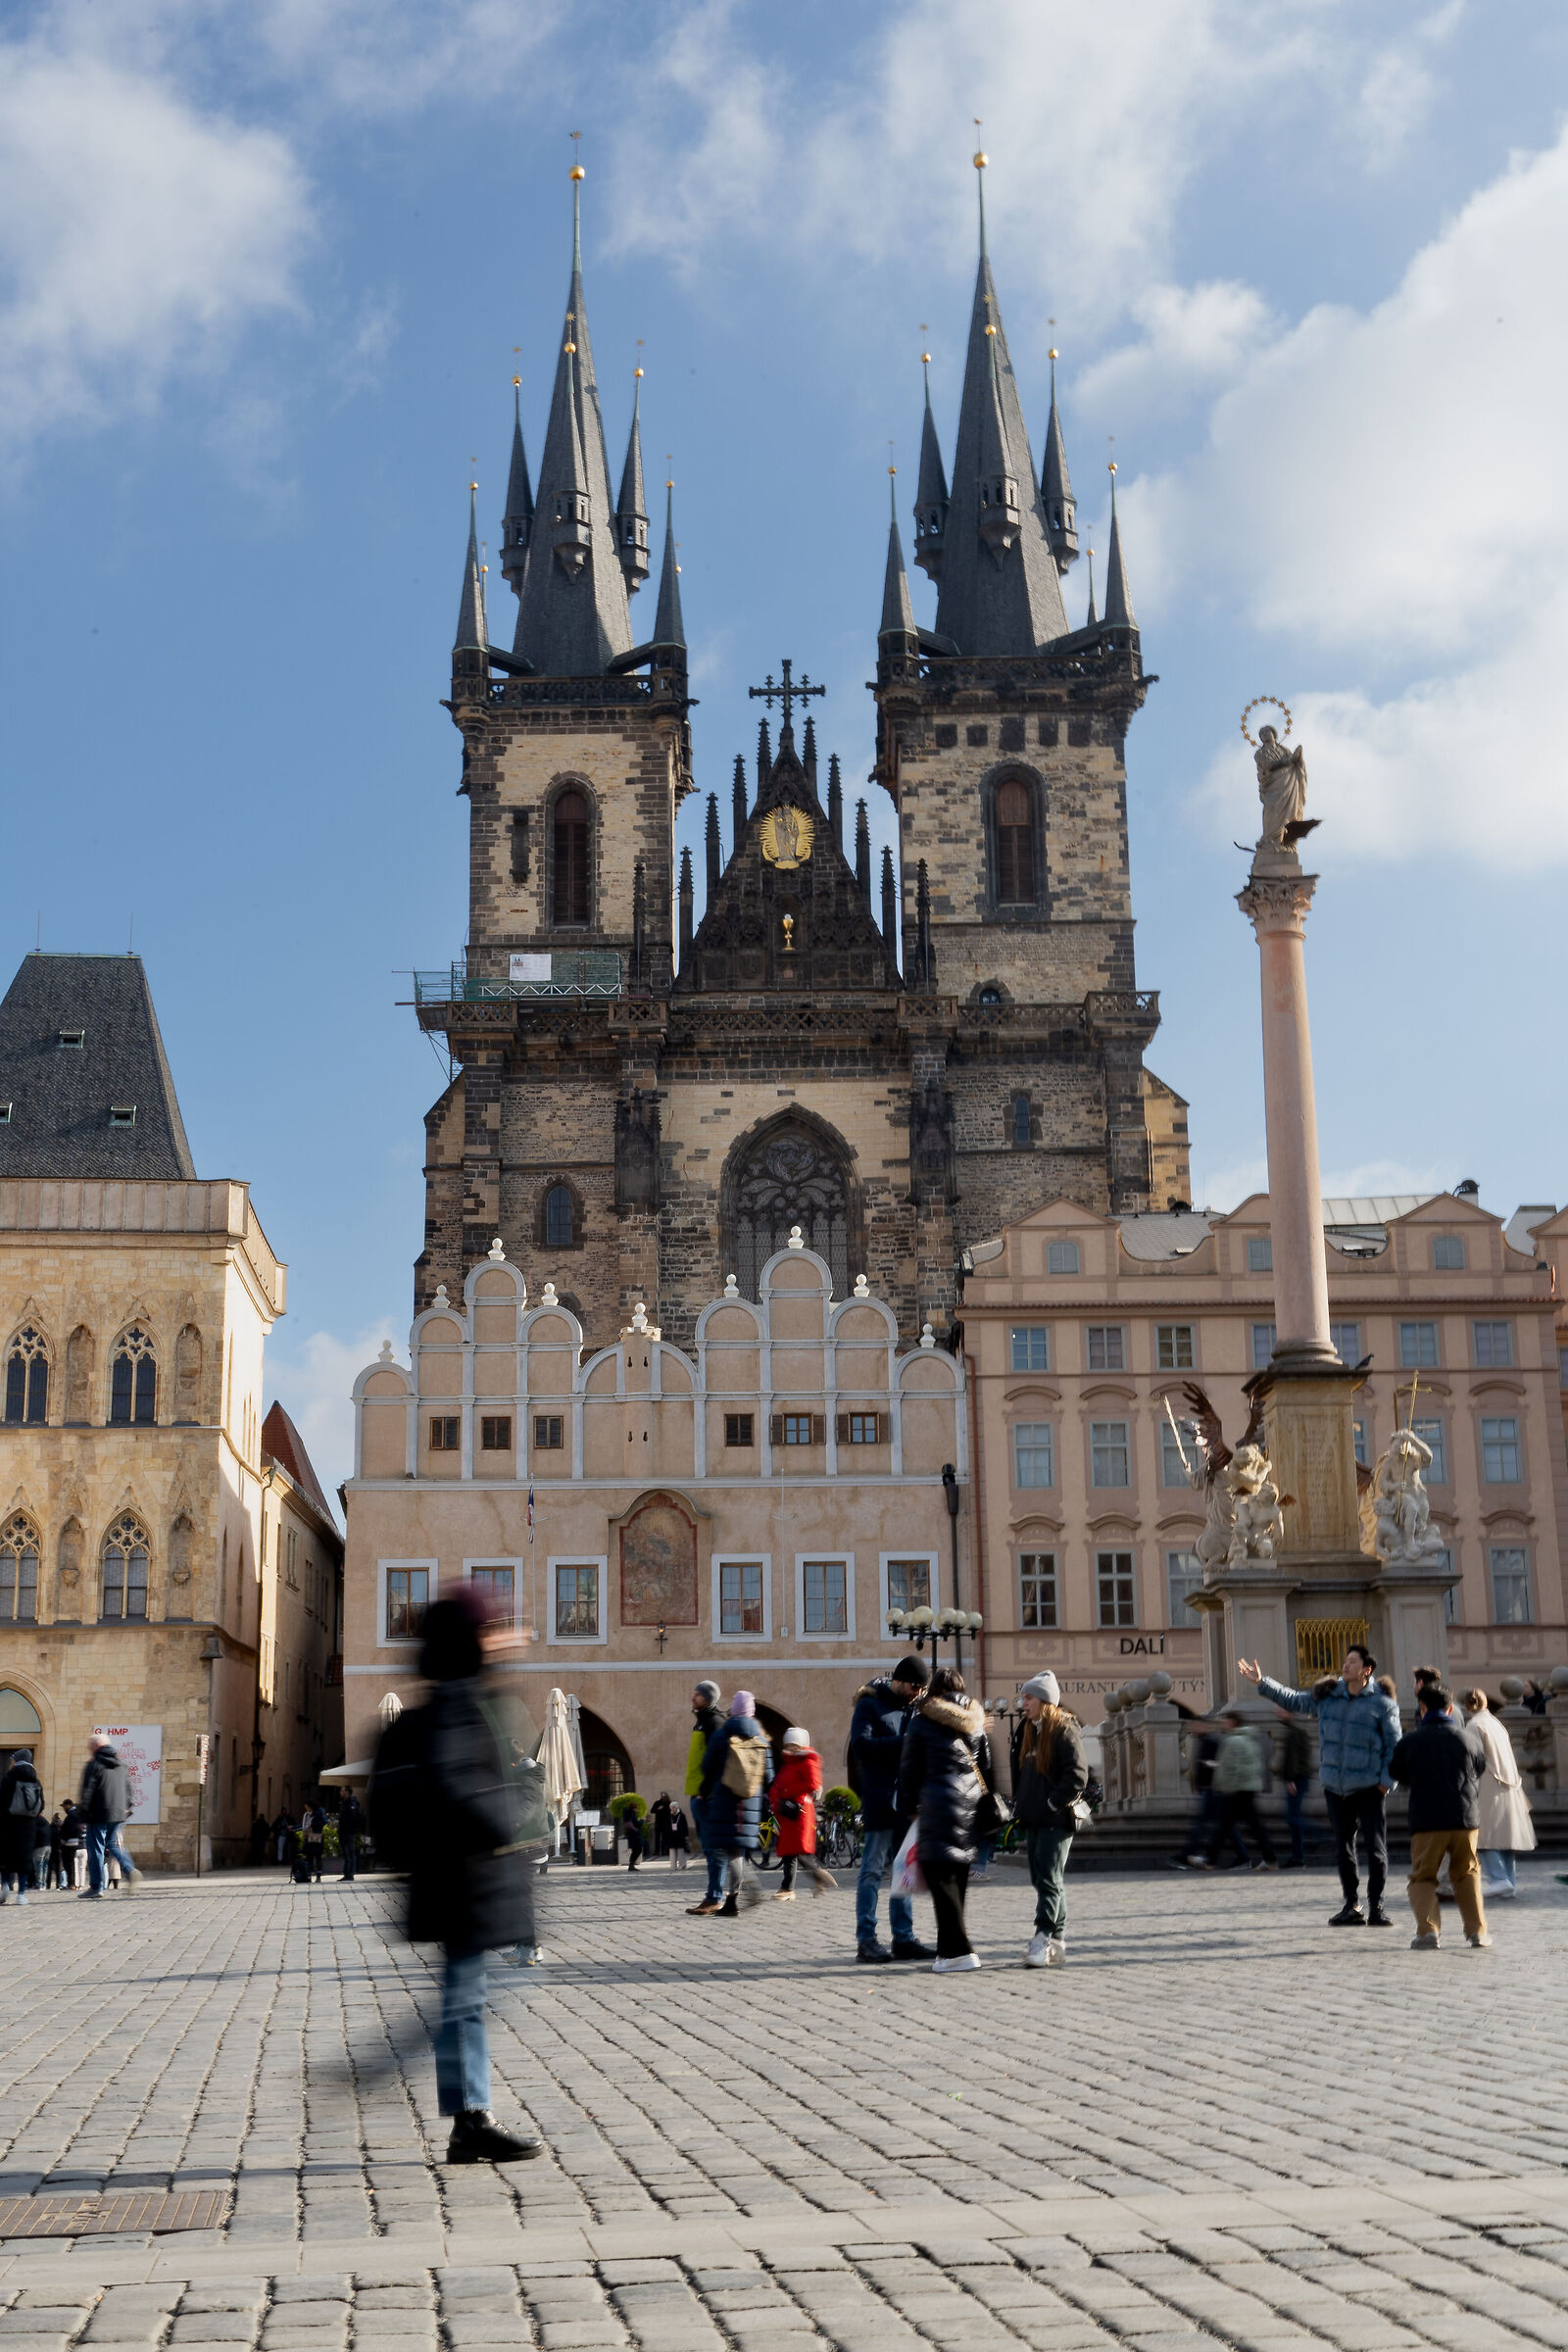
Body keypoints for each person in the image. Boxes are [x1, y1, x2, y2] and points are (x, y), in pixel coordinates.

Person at [383, 1585, 545, 2163]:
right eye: (491, 1629)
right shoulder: (460, 1705)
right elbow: (462, 1794)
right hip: (467, 1884)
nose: (503, 1638)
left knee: (467, 1999)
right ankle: (464, 2114)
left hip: (458, 1885)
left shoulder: (460, 1698)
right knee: (467, 2002)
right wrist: (519, 1806)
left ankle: (466, 2116)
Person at [1239, 1643, 1398, 1926]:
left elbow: (1394, 1747)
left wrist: (1386, 1783)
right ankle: (1352, 1905)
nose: (1345, 1665)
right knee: (1343, 1846)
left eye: (1352, 1662)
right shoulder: (1328, 1696)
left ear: (1366, 1670)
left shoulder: (1382, 1704)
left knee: (1375, 1847)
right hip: (1336, 1787)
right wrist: (1263, 1683)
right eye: (1345, 1660)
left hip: (1369, 1787)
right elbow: (1294, 1700)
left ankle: (1377, 1907)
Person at [896, 1663, 991, 1974]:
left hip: (937, 1806)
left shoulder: (922, 1722)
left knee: (941, 1883)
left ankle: (962, 1952)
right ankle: (947, 1951)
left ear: (934, 1690)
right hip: (970, 1807)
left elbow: (909, 1769)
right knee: (956, 1884)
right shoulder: (976, 1722)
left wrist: (909, 1806)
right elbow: (987, 1767)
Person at [1391, 1680, 1490, 1949]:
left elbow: (1397, 1773)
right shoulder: (1468, 1738)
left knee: (1423, 1876)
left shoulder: (1411, 1741)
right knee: (1467, 1873)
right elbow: (1479, 1769)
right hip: (1465, 1819)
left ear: (1422, 1707)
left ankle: (1428, 1932)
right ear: (1449, 1709)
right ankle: (1477, 1932)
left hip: (1427, 1820)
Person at [849, 1654, 934, 1964]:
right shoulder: (870, 1705)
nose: (918, 1692)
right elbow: (860, 1746)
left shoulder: (915, 1708)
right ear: (899, 1680)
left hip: (908, 1803)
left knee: (904, 1872)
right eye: (915, 1686)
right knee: (872, 1870)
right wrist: (905, 1742)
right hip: (881, 1799)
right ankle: (866, 1939)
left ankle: (903, 1937)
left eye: (922, 1688)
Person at [1009, 1670, 1087, 1969]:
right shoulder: (1030, 1731)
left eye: (1028, 1697)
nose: (1023, 1703)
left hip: (1055, 1820)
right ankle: (1058, 1940)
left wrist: (1053, 1802)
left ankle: (1043, 1936)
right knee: (1044, 1879)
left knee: (1048, 1879)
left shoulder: (1064, 1730)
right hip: (1034, 1818)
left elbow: (1077, 1775)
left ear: (1044, 1700)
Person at [699, 1691, 773, 1916]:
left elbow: (707, 1768)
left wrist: (704, 1792)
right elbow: (769, 1777)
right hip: (750, 1802)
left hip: (724, 1800)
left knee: (722, 1850)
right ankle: (732, 1901)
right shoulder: (761, 1739)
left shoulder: (723, 1734)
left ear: (733, 1710)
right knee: (736, 1850)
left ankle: (749, 1888)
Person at [1462, 1689, 1535, 1898]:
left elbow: (1472, 1760)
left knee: (1483, 1836)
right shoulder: (1497, 1724)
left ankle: (1498, 1879)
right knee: (1505, 1837)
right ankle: (1509, 1881)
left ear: (1467, 1707)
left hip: (1486, 1784)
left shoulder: (1474, 1725)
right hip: (1509, 1784)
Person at [1196, 1712, 1277, 1871]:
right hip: (1248, 1788)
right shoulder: (1251, 1740)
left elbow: (1229, 1768)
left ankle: (1210, 1860)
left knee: (1226, 1826)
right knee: (1245, 1826)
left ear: (1232, 1722)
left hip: (1237, 1789)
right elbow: (1255, 1765)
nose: (1222, 1723)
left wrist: (1223, 1785)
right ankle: (1269, 1859)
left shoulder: (1232, 1741)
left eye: (1224, 1721)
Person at [1173, 1706, 1247, 1870]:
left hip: (1213, 1790)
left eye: (1195, 1725)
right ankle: (1241, 1856)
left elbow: (1224, 1764)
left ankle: (1188, 1855)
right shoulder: (1205, 1741)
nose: (1192, 1728)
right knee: (1225, 1826)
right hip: (1209, 1790)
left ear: (1203, 1726)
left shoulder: (1213, 1741)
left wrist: (1211, 1767)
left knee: (1203, 1825)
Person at [768, 1727, 835, 1899]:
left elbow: (813, 1784)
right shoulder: (789, 1763)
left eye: (794, 1745)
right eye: (788, 1744)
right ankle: (815, 1880)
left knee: (796, 1852)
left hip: (798, 1813)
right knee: (792, 1852)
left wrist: (786, 1791)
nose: (791, 1748)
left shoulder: (807, 1762)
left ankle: (789, 1887)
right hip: (787, 1813)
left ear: (802, 1745)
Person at [684, 1680, 727, 1917]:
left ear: (709, 1698)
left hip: (707, 1796)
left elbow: (717, 1762)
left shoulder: (714, 1723)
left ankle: (715, 1897)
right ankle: (714, 1895)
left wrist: (705, 1790)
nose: (693, 1697)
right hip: (698, 1794)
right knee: (711, 1849)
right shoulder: (701, 1722)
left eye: (698, 1694)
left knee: (714, 1848)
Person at [78, 1738, 139, 1898]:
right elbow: (128, 1788)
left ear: (97, 1746)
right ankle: (130, 1870)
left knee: (96, 1849)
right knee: (112, 1844)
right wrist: (127, 1807)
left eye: (90, 1745)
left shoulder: (94, 1765)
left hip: (98, 1813)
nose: (88, 1748)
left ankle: (96, 1887)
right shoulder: (121, 1765)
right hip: (118, 1813)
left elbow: (87, 1791)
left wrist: (83, 1814)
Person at [0, 1748, 44, 1904]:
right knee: (24, 1860)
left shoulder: (8, 1778)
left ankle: (5, 1886)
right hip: (28, 1826)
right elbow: (41, 1805)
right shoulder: (35, 1780)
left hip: (8, 1824)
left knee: (5, 1858)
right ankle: (21, 1894)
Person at [1277, 1706, 1314, 1868]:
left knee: (1293, 1818)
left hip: (1296, 1780)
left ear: (1289, 1713)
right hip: (1299, 1779)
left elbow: (1293, 1758)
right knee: (1293, 1818)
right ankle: (1298, 1857)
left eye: (1281, 1710)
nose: (1278, 1713)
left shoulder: (1294, 1732)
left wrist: (1290, 1780)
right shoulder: (1295, 1730)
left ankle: (1319, 1838)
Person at [339, 1788, 366, 1881]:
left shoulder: (351, 1804)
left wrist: (350, 1829)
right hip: (344, 1832)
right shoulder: (345, 1803)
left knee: (350, 1853)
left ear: (347, 1792)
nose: (340, 1793)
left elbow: (352, 1818)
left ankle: (350, 1874)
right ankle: (347, 1874)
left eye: (342, 1791)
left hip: (348, 1833)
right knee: (346, 1854)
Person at [59, 1800, 85, 1889]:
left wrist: (63, 1839)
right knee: (76, 1866)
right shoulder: (75, 1814)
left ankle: (71, 1883)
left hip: (70, 1843)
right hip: (76, 1842)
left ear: (69, 1805)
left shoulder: (72, 1815)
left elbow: (70, 1829)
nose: (63, 1808)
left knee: (69, 1864)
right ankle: (73, 1883)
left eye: (64, 1806)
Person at [302, 1801, 326, 1884]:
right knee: (309, 1856)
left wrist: (313, 1824)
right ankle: (309, 1875)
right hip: (308, 1836)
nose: (307, 1809)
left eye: (307, 1807)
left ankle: (318, 1876)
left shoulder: (319, 1812)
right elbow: (304, 1826)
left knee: (317, 1855)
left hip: (316, 1835)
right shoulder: (307, 1815)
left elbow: (324, 1821)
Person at [648, 1791, 672, 1860]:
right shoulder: (657, 1803)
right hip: (658, 1823)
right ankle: (656, 1852)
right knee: (657, 1838)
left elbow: (670, 1812)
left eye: (664, 1796)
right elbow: (652, 1811)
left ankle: (665, 1851)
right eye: (662, 1796)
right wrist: (658, 1809)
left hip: (666, 1823)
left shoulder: (668, 1803)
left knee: (665, 1838)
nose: (662, 1797)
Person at [47, 1811, 66, 1892]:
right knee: (58, 1869)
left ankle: (48, 1885)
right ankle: (58, 1884)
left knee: (50, 1869)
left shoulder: (50, 1827)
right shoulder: (61, 1826)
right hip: (58, 1849)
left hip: (52, 1849)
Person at [667, 1801, 690, 1869]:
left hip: (680, 1835)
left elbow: (685, 1826)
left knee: (681, 1850)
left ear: (677, 1807)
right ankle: (673, 1865)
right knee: (672, 1850)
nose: (672, 1809)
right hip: (671, 1835)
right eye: (671, 1808)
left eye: (673, 1807)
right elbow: (666, 1826)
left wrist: (686, 1835)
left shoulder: (682, 1815)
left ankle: (682, 1864)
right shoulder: (669, 1816)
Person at [624, 1807, 645, 1871]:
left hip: (631, 1835)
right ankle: (631, 1865)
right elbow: (637, 1824)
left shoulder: (627, 1815)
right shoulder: (632, 1815)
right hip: (635, 1836)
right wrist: (642, 1820)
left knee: (635, 1851)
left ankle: (631, 1865)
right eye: (636, 1808)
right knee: (638, 1850)